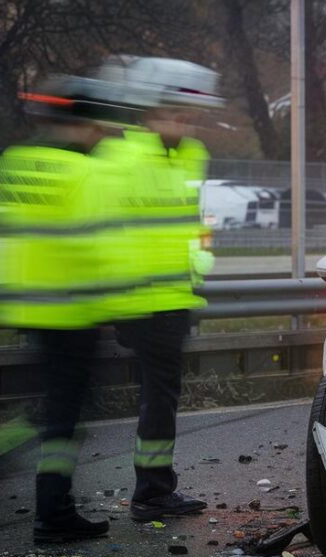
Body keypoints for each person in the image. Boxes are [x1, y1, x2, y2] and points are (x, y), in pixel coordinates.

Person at [0, 76, 134, 543]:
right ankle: (53, 510)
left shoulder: (12, 165)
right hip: (73, 312)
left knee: (57, 406)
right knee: (66, 418)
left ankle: (5, 453)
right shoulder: (85, 174)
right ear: (84, 123)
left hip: (28, 307)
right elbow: (101, 248)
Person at [95, 57, 223, 521]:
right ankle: (151, 491)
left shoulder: (193, 155)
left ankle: (152, 487)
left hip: (173, 301)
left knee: (160, 398)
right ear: (148, 111)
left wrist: (195, 278)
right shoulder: (121, 160)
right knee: (158, 398)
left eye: (188, 115)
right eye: (172, 112)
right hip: (138, 302)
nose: (183, 122)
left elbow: (193, 227)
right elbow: (103, 231)